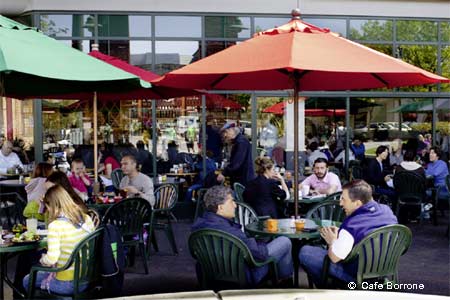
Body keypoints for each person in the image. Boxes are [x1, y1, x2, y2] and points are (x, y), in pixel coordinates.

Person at [299, 180, 397, 287]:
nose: (340, 203)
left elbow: (335, 258)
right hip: (384, 270)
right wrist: (342, 235)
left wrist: (332, 241)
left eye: (344, 200)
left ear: (357, 203)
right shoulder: (387, 210)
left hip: (357, 276)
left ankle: (330, 288)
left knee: (305, 252)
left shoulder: (352, 224)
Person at [192, 185, 293, 285]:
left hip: (211, 276)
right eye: (232, 201)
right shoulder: (230, 232)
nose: (235, 205)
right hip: (242, 275)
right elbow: (258, 254)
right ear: (221, 207)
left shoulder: (197, 227)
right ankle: (285, 281)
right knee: (284, 241)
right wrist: (261, 243)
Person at [22, 185, 95, 295]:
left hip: (67, 284)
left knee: (28, 280)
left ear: (52, 206)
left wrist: (43, 260)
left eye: (47, 206)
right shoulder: (86, 218)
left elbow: (52, 259)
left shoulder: (56, 226)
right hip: (87, 279)